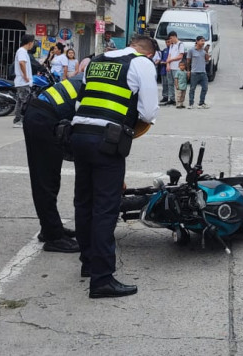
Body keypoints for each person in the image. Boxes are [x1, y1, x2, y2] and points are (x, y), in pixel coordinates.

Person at [71, 34, 158, 298]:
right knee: (106, 208)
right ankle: (102, 279)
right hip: (107, 141)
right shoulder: (142, 63)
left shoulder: (96, 60)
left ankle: (88, 263)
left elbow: (79, 102)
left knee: (84, 202)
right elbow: (148, 113)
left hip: (77, 135)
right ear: (148, 53)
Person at [23, 74, 85, 254]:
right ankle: (53, 237)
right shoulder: (97, 82)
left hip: (44, 115)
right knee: (44, 179)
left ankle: (50, 226)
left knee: (51, 178)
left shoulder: (92, 74)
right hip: (42, 118)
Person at [12, 35, 36, 128]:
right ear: (30, 42)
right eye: (33, 42)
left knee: (21, 102)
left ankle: (18, 120)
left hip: (22, 82)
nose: (33, 45)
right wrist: (25, 76)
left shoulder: (22, 51)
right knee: (24, 102)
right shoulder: (22, 51)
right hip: (23, 82)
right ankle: (19, 121)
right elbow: (22, 63)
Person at [186, 36, 211, 109]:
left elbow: (207, 60)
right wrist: (188, 71)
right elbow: (188, 61)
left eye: (204, 41)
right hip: (194, 73)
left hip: (203, 72)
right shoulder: (191, 50)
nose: (203, 42)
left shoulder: (204, 51)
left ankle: (201, 103)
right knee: (192, 88)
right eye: (201, 41)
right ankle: (191, 103)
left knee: (205, 88)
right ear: (197, 41)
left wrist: (206, 52)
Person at [165, 31, 186, 105]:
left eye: (171, 38)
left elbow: (180, 56)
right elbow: (169, 55)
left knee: (177, 84)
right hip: (170, 67)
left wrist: (171, 60)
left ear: (174, 36)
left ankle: (179, 99)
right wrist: (167, 64)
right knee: (170, 83)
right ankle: (172, 98)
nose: (170, 40)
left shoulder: (180, 44)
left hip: (176, 67)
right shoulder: (171, 45)